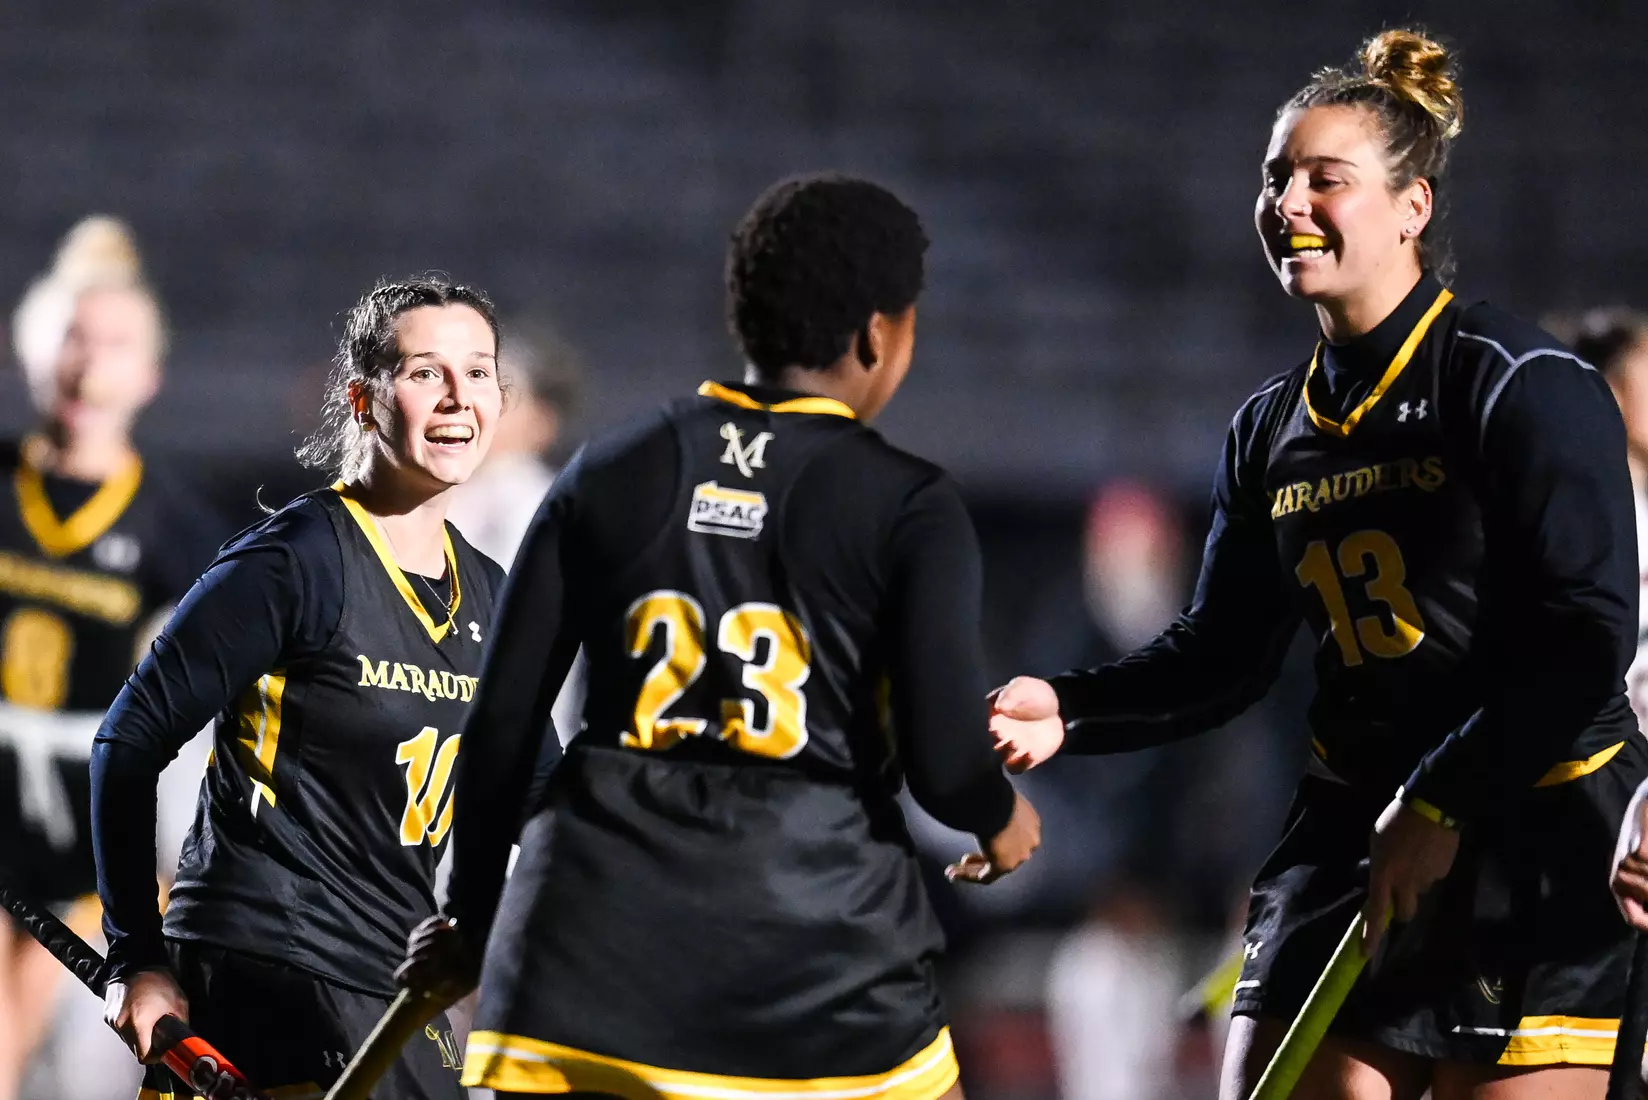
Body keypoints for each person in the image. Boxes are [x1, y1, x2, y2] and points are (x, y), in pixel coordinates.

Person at [991, 29, 1645, 1100]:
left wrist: (1439, 799)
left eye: (1323, 179)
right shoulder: (1267, 428)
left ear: (1411, 207)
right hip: (1354, 830)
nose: (1288, 202)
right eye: (1275, 179)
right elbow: (1224, 652)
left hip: (1535, 833)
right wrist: (1071, 707)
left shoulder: (1521, 384)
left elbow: (1585, 639)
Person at [395, 173, 1041, 1100]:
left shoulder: (605, 471)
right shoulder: (910, 505)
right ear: (879, 335)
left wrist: (468, 921)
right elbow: (944, 759)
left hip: (582, 964)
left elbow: (501, 728)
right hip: (814, 968)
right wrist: (1001, 819)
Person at [89, 276, 507, 1099]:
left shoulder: (492, 593)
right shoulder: (296, 559)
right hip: (269, 954)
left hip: (392, 969)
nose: (459, 395)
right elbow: (128, 740)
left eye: (482, 371)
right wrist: (136, 956)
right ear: (362, 398)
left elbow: (540, 788)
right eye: (427, 372)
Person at [0, 217, 218, 1100]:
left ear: (150, 374)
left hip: (81, 833)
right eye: (74, 338)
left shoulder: (174, 527)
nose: (90, 365)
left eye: (117, 344)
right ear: (32, 347)